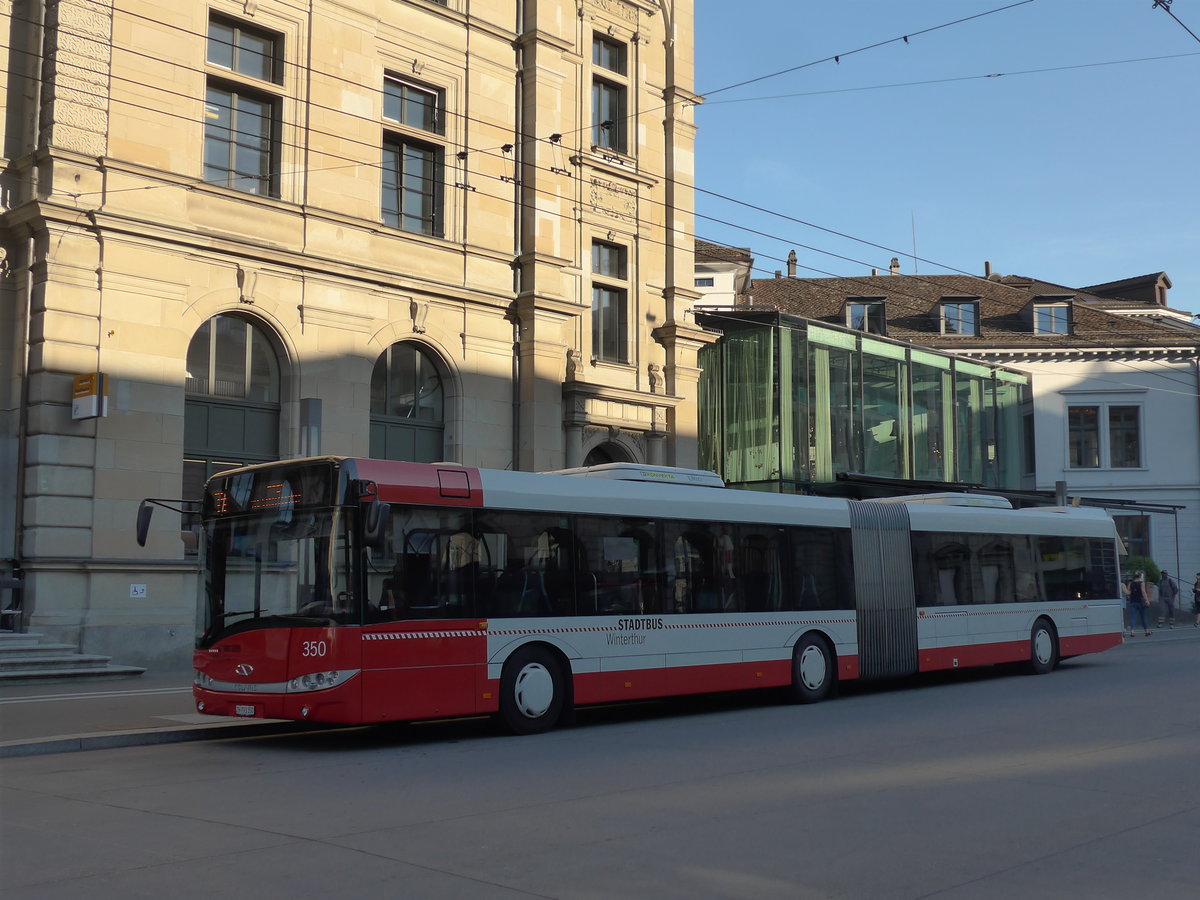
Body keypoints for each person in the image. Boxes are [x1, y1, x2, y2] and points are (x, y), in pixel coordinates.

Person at [1126, 571, 1150, 637]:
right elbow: (1143, 592)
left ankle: (1132, 632)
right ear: (1140, 576)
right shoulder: (1142, 583)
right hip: (1141, 602)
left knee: (1133, 617)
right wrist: (1147, 600)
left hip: (1133, 602)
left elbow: (1128, 593)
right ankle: (1146, 631)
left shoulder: (1130, 583)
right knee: (1143, 617)